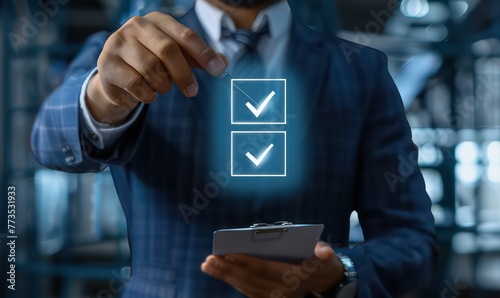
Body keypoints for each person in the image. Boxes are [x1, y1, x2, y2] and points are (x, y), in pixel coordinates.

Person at [31, 0, 438, 297]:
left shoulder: (360, 72)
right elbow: (49, 142)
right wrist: (105, 94)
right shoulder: (127, 53)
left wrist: (341, 270)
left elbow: (411, 240)